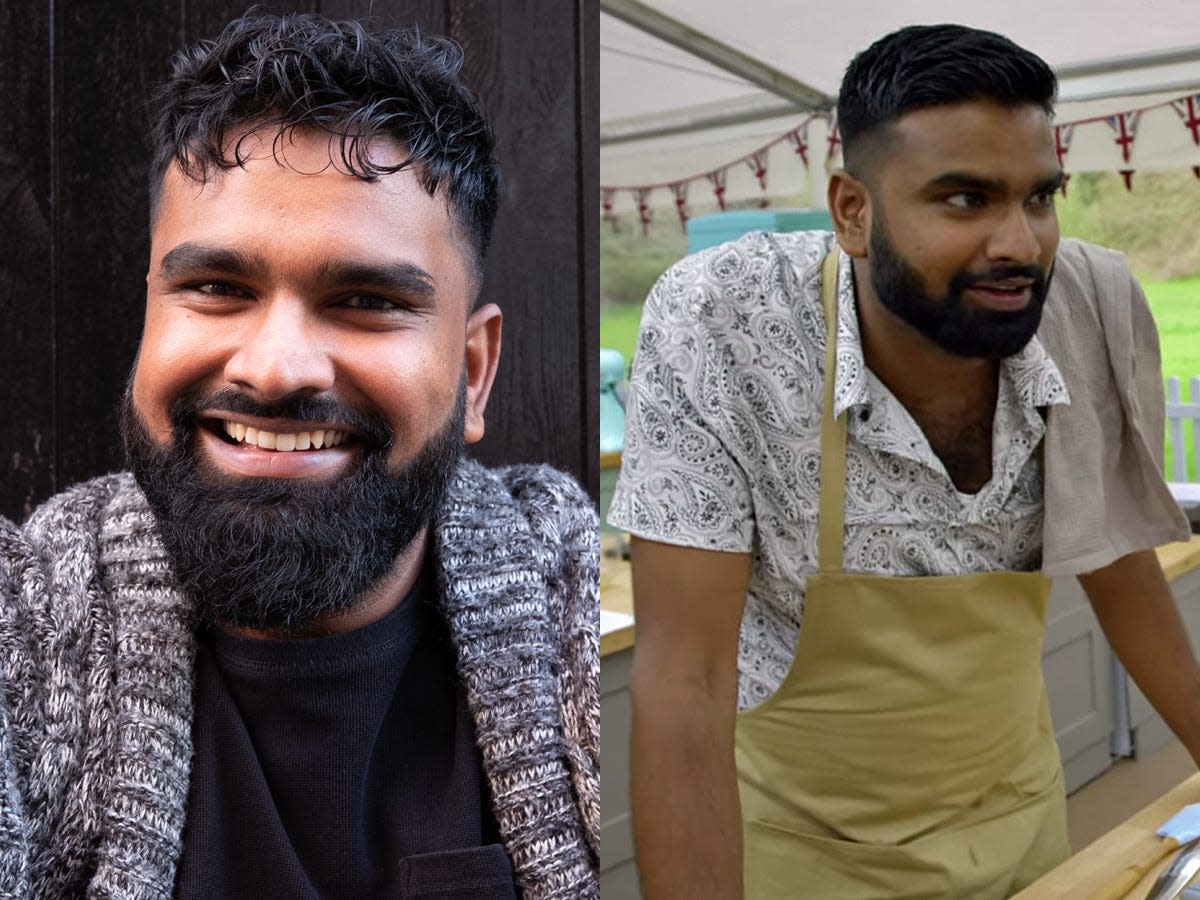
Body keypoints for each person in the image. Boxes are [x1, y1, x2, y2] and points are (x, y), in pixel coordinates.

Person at [0, 12, 598, 900]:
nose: (275, 369)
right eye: (215, 289)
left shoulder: (571, 607)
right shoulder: (28, 630)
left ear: (472, 374)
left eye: (365, 299)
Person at [609, 23, 1200, 900]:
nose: (1020, 244)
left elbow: (1123, 571)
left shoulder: (1083, 306)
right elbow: (682, 679)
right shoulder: (727, 323)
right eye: (966, 200)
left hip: (1017, 832)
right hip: (803, 855)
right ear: (853, 209)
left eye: (1041, 198)